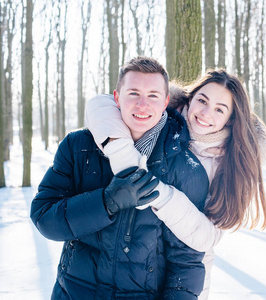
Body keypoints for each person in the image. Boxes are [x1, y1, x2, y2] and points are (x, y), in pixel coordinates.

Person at [30, 56, 209, 299]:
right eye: (133, 93)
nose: (142, 105)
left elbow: (186, 261)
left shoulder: (186, 167)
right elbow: (45, 218)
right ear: (116, 97)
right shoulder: (78, 146)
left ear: (166, 101)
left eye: (153, 95)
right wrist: (106, 202)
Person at [86, 69, 266, 299]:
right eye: (202, 100)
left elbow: (207, 236)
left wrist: (162, 196)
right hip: (132, 271)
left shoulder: (230, 165)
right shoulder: (162, 117)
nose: (205, 113)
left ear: (230, 119)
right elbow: (100, 104)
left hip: (186, 279)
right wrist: (120, 151)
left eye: (219, 109)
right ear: (190, 98)